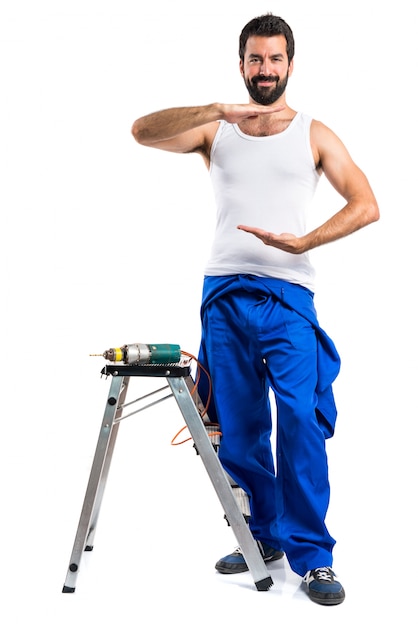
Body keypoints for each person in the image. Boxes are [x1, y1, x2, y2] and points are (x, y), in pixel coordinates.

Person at [131, 13, 379, 606]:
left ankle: (314, 558)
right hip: (221, 297)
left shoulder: (315, 134)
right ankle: (261, 538)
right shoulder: (216, 133)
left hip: (288, 296)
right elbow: (141, 130)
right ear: (241, 64)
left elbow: (367, 204)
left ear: (290, 64)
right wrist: (217, 111)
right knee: (237, 433)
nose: (265, 70)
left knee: (299, 425)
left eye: (275, 59)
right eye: (254, 59)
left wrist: (305, 242)